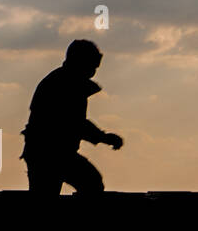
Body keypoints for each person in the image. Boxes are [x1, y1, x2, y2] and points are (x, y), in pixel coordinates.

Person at [20, 39, 123, 197]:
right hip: (50, 154)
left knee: (86, 185)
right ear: (81, 61)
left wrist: (102, 137)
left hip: (50, 153)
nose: (94, 70)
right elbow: (74, 123)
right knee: (90, 184)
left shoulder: (66, 82)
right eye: (92, 64)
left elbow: (76, 123)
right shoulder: (65, 85)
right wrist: (103, 137)